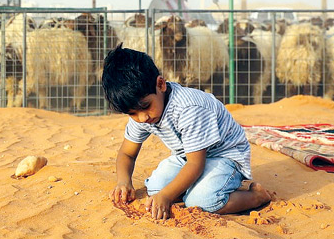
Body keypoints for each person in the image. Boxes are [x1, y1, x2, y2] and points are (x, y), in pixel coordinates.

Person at [101, 44, 271, 219]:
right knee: (155, 189)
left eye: (145, 107)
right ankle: (200, 186)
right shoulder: (141, 110)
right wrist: (124, 181)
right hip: (189, 157)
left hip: (225, 156)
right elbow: (127, 154)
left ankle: (255, 196)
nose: (142, 118)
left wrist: (167, 196)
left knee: (201, 202)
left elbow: (195, 165)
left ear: (160, 84)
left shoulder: (188, 108)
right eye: (132, 113)